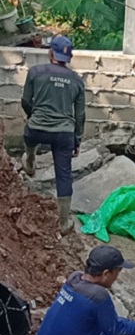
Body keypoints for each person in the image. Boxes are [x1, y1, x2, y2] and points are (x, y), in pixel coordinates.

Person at [21, 35, 86, 234]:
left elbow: (25, 101)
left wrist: (32, 116)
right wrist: (77, 140)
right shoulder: (77, 81)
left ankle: (30, 159)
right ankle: (63, 223)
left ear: (50, 53)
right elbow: (80, 115)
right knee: (64, 175)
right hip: (64, 134)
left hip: (36, 129)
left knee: (30, 136)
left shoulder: (35, 72)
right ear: (69, 57)